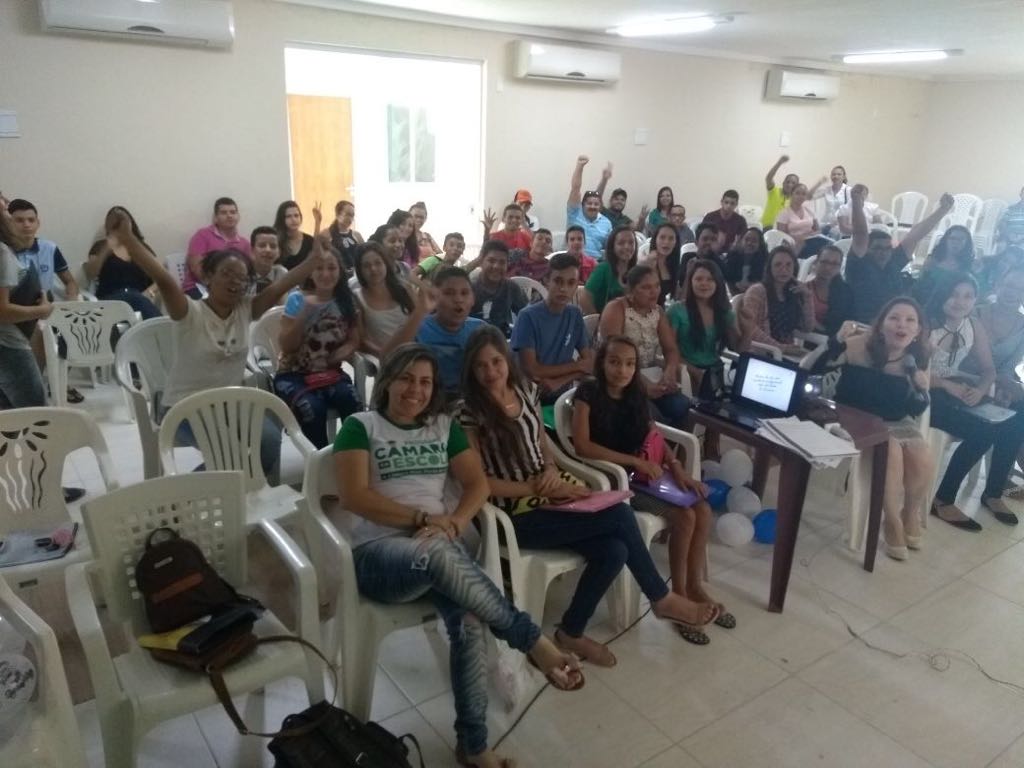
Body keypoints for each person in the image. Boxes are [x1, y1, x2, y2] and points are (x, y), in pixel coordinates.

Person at [334, 343, 583, 768]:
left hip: (440, 550)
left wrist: (454, 521)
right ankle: (529, 639)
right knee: (436, 551)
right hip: (379, 557)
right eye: (407, 378)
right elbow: (354, 496)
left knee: (468, 621)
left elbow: (478, 485)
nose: (416, 389)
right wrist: (420, 519)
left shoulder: (443, 428)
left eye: (426, 382)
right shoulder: (361, 426)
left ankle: (473, 746)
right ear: (388, 380)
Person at [459, 328, 720, 665]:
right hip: (513, 515)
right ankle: (660, 596)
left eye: (496, 361)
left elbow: (543, 445)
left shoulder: (523, 392)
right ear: (471, 370)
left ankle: (570, 632)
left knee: (615, 548)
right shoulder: (469, 413)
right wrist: (536, 487)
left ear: (506, 361)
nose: (491, 372)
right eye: (481, 366)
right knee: (620, 516)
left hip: (550, 494)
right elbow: (479, 484)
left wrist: (552, 473)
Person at [111, 208, 320, 480]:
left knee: (269, 441)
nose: (235, 281)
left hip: (230, 404)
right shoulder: (188, 312)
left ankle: (245, 495)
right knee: (230, 456)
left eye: (242, 277)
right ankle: (187, 493)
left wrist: (314, 260)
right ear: (208, 277)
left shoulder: (246, 309)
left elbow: (280, 287)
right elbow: (163, 279)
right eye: (227, 274)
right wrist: (129, 239)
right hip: (184, 409)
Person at [571, 335, 734, 643]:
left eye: (630, 364)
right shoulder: (588, 392)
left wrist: (678, 469)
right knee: (683, 518)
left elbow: (653, 434)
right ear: (602, 362)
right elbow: (583, 445)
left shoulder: (635, 394)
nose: (622, 370)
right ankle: (679, 594)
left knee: (702, 508)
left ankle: (696, 585)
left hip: (647, 473)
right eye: (615, 362)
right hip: (618, 479)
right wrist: (634, 461)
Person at [829, 299, 934, 559]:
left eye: (910, 320)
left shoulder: (918, 357)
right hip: (855, 414)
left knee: (922, 456)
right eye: (894, 318)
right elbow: (816, 367)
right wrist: (836, 341)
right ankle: (890, 521)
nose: (902, 325)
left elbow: (916, 408)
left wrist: (922, 388)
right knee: (892, 451)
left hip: (895, 417)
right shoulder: (857, 344)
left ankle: (909, 513)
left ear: (918, 330)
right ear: (881, 323)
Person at [926, 275, 1024, 531]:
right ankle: (943, 500)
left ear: (975, 300)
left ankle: (993, 493)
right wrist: (951, 385)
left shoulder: (972, 324)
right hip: (924, 391)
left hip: (957, 388)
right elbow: (910, 372)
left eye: (968, 296)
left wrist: (981, 391)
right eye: (954, 294)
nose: (960, 301)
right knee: (984, 430)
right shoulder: (927, 322)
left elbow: (989, 369)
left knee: (1016, 415)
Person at [274, 251, 363, 448]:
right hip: (293, 375)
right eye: (319, 268)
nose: (325, 274)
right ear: (310, 272)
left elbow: (355, 338)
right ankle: (319, 462)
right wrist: (305, 312)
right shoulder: (297, 299)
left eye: (332, 268)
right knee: (312, 409)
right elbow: (287, 346)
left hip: (330, 373)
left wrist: (343, 352)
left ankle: (351, 453)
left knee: (352, 401)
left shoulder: (347, 301)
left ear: (340, 271)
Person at [845, 184, 953, 324]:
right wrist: (857, 203)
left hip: (895, 322)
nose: (883, 252)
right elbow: (860, 233)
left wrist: (943, 210)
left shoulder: (893, 260)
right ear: (867, 249)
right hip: (863, 325)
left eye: (887, 248)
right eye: (877, 248)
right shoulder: (859, 264)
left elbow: (915, 236)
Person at [597, 264, 689, 426]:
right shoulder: (616, 309)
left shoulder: (657, 312)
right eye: (646, 287)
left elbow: (671, 349)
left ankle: (677, 450)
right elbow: (614, 357)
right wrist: (644, 386)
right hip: (619, 380)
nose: (654, 292)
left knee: (683, 406)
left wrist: (669, 373)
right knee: (653, 417)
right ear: (631, 291)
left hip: (651, 377)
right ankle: (654, 449)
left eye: (657, 286)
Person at [384, 267, 485, 398]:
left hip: (469, 401)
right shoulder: (417, 326)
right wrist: (420, 311)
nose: (458, 299)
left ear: (473, 299)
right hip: (424, 399)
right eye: (449, 293)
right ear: (434, 297)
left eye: (465, 293)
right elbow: (387, 359)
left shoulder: (480, 329)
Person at [969, 266, 1024, 495]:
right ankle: (999, 481)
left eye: (1019, 289)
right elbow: (966, 359)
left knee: (1020, 408)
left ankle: (997, 483)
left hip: (1000, 381)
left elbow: (1011, 364)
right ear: (998, 285)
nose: (1012, 292)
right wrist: (999, 384)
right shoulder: (976, 313)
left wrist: (1006, 388)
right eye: (1009, 286)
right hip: (971, 380)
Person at [511, 252, 592, 403]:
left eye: (571, 283)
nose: (563, 289)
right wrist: (577, 366)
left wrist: (560, 381)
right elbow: (533, 369)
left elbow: (588, 363)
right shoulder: (527, 317)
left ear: (577, 285)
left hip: (562, 394)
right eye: (558, 281)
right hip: (528, 396)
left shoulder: (574, 315)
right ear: (547, 281)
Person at [0, 200, 52, 409]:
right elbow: (2, 312)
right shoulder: (1, 252)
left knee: (7, 416)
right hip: (7, 344)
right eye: (5, 209)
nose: (8, 213)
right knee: (36, 416)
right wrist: (42, 310)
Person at [669, 258, 744, 393]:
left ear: (718, 283)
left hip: (715, 370)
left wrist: (748, 327)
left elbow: (739, 349)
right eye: (698, 279)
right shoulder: (677, 311)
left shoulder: (724, 312)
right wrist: (696, 372)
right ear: (690, 282)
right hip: (686, 370)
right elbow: (669, 351)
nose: (704, 283)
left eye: (710, 279)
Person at [85, 206, 161, 318]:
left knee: (135, 297)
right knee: (132, 296)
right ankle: (166, 330)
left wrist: (148, 293)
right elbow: (90, 273)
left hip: (140, 299)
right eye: (114, 224)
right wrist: (106, 249)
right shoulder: (100, 247)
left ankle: (164, 328)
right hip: (110, 300)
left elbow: (160, 277)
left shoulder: (141, 248)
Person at [740, 245, 814, 356]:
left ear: (795, 268)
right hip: (761, 351)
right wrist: (780, 348)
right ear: (770, 268)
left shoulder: (793, 292)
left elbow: (807, 327)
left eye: (789, 265)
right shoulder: (757, 291)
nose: (784, 270)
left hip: (785, 352)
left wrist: (807, 297)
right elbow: (749, 327)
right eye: (778, 265)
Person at [7, 199, 79, 300]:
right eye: (19, 220)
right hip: (13, 310)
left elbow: (70, 282)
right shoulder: (4, 251)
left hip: (46, 308)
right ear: (8, 224)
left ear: (38, 223)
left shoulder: (49, 248)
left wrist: (72, 297)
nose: (27, 225)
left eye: (31, 220)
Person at [352, 242, 415, 357]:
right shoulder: (357, 298)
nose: (373, 269)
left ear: (385, 264)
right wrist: (385, 353)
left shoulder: (405, 289)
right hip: (384, 359)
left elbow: (420, 322)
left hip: (414, 354)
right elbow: (362, 340)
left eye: (378, 263)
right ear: (359, 270)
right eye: (366, 265)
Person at [184, 197, 251, 298]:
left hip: (232, 289)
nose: (229, 216)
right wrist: (217, 287)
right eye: (224, 213)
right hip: (198, 287)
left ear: (238, 216)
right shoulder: (202, 235)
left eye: (233, 212)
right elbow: (196, 267)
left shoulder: (244, 243)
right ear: (215, 217)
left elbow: (248, 272)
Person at [469, 240, 528, 337]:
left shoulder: (511, 287)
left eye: (502, 262)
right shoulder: (470, 287)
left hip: (502, 341)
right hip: (472, 340)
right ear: (481, 262)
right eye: (491, 261)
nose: (496, 266)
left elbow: (527, 315)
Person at [912, 225, 976, 307]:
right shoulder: (932, 260)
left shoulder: (969, 265)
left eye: (961, 239)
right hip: (926, 302)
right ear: (946, 240)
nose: (956, 242)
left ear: (967, 243)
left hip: (954, 305)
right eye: (952, 238)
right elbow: (920, 283)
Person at [581, 225, 637, 316]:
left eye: (631, 242)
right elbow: (584, 297)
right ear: (612, 246)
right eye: (621, 243)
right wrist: (598, 321)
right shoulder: (603, 269)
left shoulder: (636, 270)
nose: (627, 247)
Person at [566, 155, 612, 259]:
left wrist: (605, 179)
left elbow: (610, 248)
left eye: (596, 204)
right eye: (589, 203)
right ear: (582, 205)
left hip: (595, 264)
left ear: (600, 206)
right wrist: (580, 167)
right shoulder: (575, 214)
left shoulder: (606, 223)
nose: (593, 206)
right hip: (572, 261)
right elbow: (575, 189)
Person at [805, 244, 853, 336]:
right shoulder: (806, 289)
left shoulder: (846, 292)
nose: (828, 268)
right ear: (816, 263)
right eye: (824, 262)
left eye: (834, 264)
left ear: (840, 267)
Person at [775, 183, 831, 259]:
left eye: (804, 194)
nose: (801, 196)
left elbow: (818, 230)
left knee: (829, 245)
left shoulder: (809, 210)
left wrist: (808, 236)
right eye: (797, 193)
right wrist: (797, 238)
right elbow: (781, 235)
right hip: (793, 244)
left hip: (811, 241)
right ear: (791, 194)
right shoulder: (784, 213)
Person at [641, 223, 682, 305]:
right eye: (662, 237)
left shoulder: (673, 264)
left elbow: (678, 296)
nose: (666, 242)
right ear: (655, 239)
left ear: (676, 243)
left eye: (671, 239)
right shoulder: (646, 263)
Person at [275, 200, 321, 270]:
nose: (293, 219)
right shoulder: (277, 241)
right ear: (282, 219)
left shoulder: (308, 240)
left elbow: (315, 255)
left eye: (296, 215)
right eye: (288, 216)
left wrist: (317, 222)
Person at [723, 227, 768, 294]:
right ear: (741, 241)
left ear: (760, 245)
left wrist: (753, 286)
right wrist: (735, 284)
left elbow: (765, 282)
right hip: (733, 293)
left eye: (754, 241)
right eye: (746, 239)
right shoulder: (732, 257)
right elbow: (727, 278)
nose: (749, 243)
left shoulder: (765, 260)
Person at [250, 226, 288, 297]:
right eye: (262, 245)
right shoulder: (243, 275)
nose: (268, 250)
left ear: (279, 252)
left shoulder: (282, 274)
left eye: (273, 246)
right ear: (252, 250)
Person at [761, 155, 798, 229]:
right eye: (787, 182)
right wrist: (779, 162)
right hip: (767, 227)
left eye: (793, 183)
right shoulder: (774, 191)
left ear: (796, 187)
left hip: (783, 230)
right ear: (783, 183)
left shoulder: (795, 200)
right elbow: (769, 178)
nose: (789, 184)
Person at [812, 165, 850, 236]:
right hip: (825, 224)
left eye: (839, 174)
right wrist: (818, 183)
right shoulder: (827, 190)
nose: (836, 176)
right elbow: (809, 197)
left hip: (840, 226)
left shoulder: (849, 190)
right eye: (833, 174)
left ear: (844, 176)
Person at [327, 200, 363, 274]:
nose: (350, 219)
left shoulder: (356, 235)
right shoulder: (327, 234)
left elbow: (365, 255)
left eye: (352, 215)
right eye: (348, 215)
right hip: (337, 276)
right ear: (338, 215)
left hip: (356, 275)